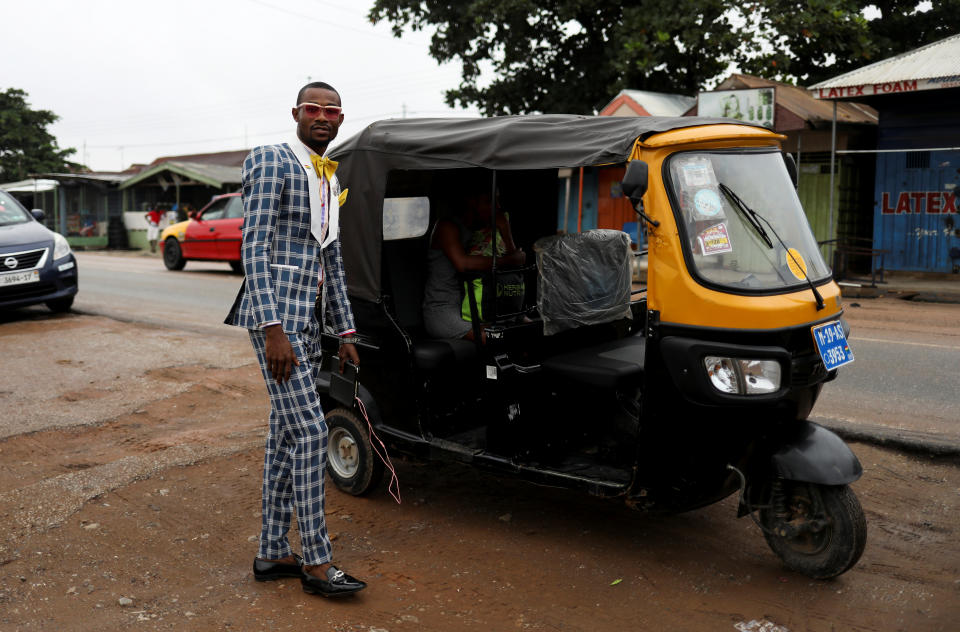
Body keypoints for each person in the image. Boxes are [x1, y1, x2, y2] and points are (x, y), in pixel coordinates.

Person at [224, 81, 366, 598]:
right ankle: (317, 562)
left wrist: (345, 329)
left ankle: (272, 552)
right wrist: (272, 327)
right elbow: (253, 245)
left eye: (332, 111)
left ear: (340, 119)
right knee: (310, 433)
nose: (323, 117)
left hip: (309, 322)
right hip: (277, 324)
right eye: (314, 109)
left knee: (284, 434)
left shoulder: (328, 175)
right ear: (296, 113)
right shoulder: (271, 159)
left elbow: (332, 254)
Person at [422, 187, 525, 341]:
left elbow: (515, 262)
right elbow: (463, 264)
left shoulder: (487, 229)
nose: (497, 207)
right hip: (446, 311)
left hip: (480, 306)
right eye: (489, 202)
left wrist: (505, 229)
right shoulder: (447, 227)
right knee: (499, 339)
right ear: (471, 202)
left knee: (527, 328)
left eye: (497, 200)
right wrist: (510, 260)